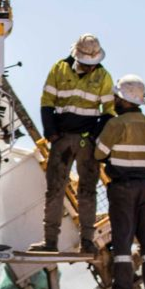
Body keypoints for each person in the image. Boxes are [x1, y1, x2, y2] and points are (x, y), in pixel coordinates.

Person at [29, 33, 115, 255]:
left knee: (87, 192)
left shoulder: (103, 76)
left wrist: (94, 137)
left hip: (87, 140)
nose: (89, 68)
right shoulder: (59, 69)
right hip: (62, 138)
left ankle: (87, 241)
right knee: (55, 190)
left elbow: (108, 112)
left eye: (92, 64)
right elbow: (46, 103)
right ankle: (50, 242)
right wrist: (52, 134)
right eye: (86, 64)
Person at [93, 74, 145, 289]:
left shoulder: (115, 124)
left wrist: (102, 125)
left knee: (122, 243)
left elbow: (99, 153)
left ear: (122, 99)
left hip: (123, 188)